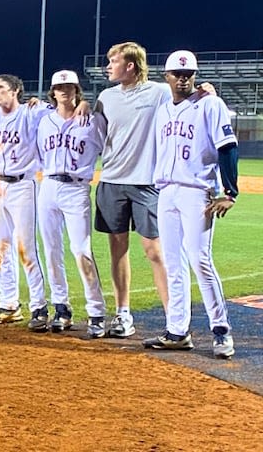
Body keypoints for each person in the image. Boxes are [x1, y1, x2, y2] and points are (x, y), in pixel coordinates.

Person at [144, 50, 238, 359]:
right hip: (167, 192)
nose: (183, 78)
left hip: (197, 193)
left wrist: (230, 192)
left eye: (188, 74)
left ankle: (221, 330)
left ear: (194, 76)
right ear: (166, 77)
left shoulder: (210, 104)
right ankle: (177, 331)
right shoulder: (162, 111)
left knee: (199, 260)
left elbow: (227, 147)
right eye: (177, 74)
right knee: (173, 262)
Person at [93, 41, 172, 338]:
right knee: (117, 250)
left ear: (130, 65)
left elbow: (185, 104)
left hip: (146, 183)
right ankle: (123, 314)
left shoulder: (159, 92)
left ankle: (173, 319)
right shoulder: (106, 96)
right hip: (112, 181)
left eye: (114, 61)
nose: (109, 66)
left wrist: (206, 94)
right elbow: (95, 134)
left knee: (154, 251)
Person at [36, 70, 108, 337]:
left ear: (77, 90)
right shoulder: (44, 121)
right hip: (49, 187)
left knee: (82, 251)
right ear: (52, 92)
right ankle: (61, 308)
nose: (64, 90)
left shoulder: (92, 120)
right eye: (59, 87)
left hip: (77, 189)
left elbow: (108, 149)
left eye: (69, 86)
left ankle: (97, 311)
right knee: (52, 251)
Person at [0, 74, 53, 329]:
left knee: (26, 249)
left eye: (1, 88)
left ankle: (39, 307)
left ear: (16, 91)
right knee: (1, 247)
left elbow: (57, 112)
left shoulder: (31, 113)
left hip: (24, 185)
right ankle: (9, 304)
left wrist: (44, 103)